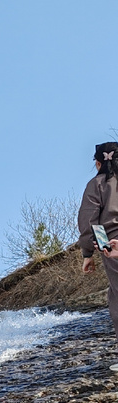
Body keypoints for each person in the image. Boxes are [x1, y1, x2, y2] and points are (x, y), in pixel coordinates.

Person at [78, 141, 118, 369]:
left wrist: (88, 253)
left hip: (111, 244)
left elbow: (88, 221)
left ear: (98, 163)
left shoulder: (97, 184)